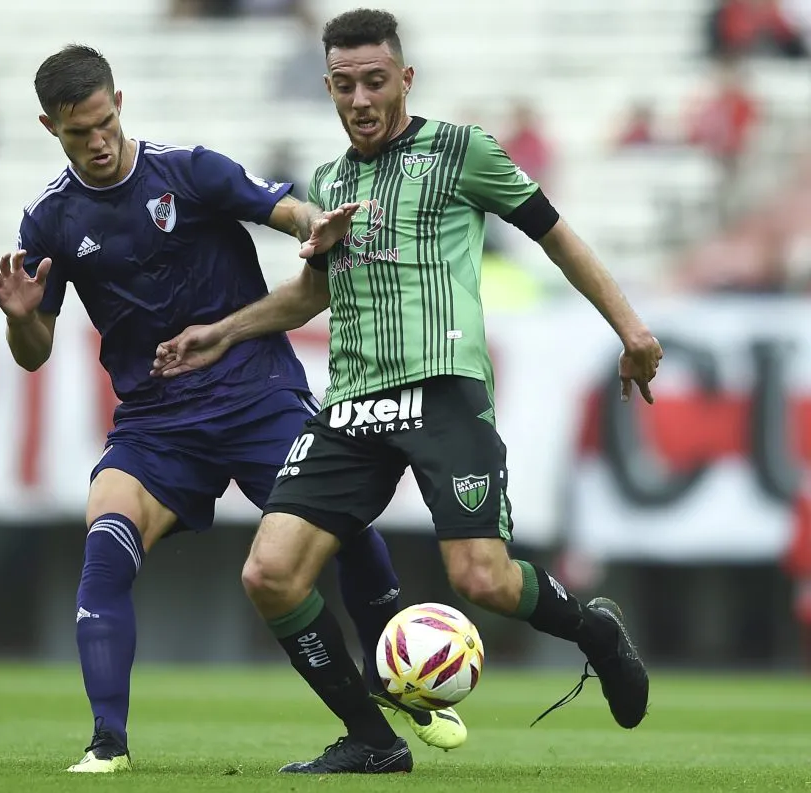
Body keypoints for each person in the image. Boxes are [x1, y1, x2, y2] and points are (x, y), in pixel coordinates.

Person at [152, 8, 662, 775]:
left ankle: (594, 631)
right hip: (355, 405)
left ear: (406, 80)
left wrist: (632, 329)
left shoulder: (462, 151)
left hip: (445, 390)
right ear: (328, 86)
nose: (359, 99)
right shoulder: (327, 183)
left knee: (480, 578)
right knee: (269, 574)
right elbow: (309, 296)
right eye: (345, 84)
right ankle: (373, 739)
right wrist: (221, 330)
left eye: (375, 82)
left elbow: (555, 234)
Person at [0, 44, 467, 774]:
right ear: (49, 126)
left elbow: (284, 206)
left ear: (120, 100)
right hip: (155, 422)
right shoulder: (49, 220)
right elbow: (33, 352)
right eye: (79, 131)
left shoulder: (189, 170)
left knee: (342, 529)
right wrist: (23, 318)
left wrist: (315, 223)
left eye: (106, 120)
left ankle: (394, 678)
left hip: (255, 394)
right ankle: (107, 742)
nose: (100, 140)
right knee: (105, 541)